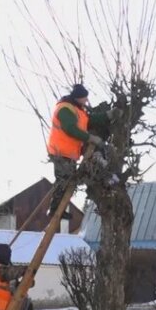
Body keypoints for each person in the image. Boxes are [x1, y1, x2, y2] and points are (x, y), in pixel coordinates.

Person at [46, 83, 116, 218]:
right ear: (78, 97)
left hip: (69, 152)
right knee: (63, 180)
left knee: (68, 180)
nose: (86, 101)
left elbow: (90, 120)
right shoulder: (65, 109)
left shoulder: (78, 110)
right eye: (84, 98)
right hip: (60, 151)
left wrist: (107, 115)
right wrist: (90, 138)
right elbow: (70, 129)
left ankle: (58, 209)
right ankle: (55, 210)